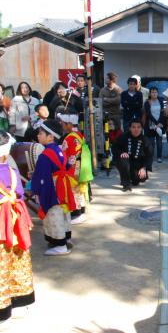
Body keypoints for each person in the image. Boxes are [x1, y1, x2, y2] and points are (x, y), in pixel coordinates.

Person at [0, 131, 35, 321]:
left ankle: (3, 309)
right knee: (18, 259)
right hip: (15, 222)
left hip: (1, 224)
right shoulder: (12, 173)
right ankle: (21, 300)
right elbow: (19, 194)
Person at [31, 119, 77, 256]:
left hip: (53, 188)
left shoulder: (45, 155)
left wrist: (38, 191)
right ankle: (66, 238)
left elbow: (42, 176)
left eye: (41, 133)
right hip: (62, 187)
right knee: (64, 213)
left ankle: (60, 245)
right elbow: (63, 167)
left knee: (53, 215)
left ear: (50, 136)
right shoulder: (58, 150)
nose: (38, 135)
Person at [57, 112, 93, 225]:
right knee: (80, 190)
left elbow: (65, 154)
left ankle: (77, 212)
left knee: (74, 190)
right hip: (80, 165)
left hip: (72, 167)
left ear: (69, 124)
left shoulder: (69, 138)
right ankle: (81, 211)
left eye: (63, 123)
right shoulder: (78, 134)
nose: (61, 125)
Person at [112, 119, 153, 192]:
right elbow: (115, 147)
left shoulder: (145, 140)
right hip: (125, 161)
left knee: (140, 179)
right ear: (130, 128)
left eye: (138, 127)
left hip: (138, 164)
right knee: (123, 159)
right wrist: (121, 153)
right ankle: (126, 184)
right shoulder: (123, 137)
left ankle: (133, 178)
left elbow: (149, 156)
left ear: (141, 129)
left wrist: (144, 167)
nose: (136, 129)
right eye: (133, 127)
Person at [142, 87, 166, 163]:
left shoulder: (160, 101)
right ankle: (150, 157)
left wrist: (159, 122)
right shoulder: (147, 102)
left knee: (159, 141)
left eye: (155, 92)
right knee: (151, 142)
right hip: (150, 125)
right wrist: (156, 123)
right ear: (150, 93)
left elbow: (162, 113)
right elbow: (148, 114)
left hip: (159, 124)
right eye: (152, 92)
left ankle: (159, 157)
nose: (154, 93)